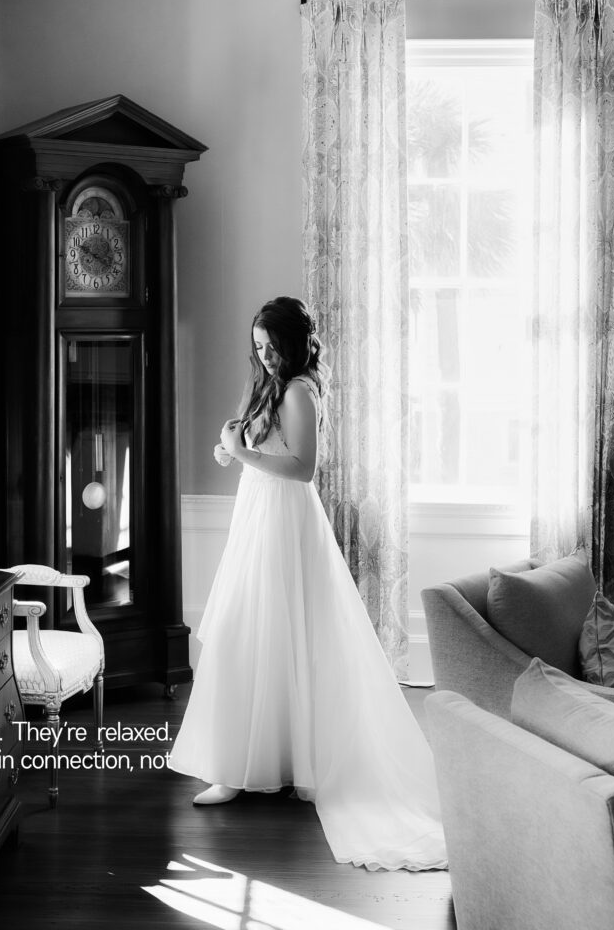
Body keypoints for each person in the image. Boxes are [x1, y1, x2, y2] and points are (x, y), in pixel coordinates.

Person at [168, 296, 447, 871]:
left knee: (280, 630)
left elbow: (302, 468)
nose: (264, 356)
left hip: (285, 521)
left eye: (272, 347)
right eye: (258, 346)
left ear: (294, 344)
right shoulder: (268, 386)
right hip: (256, 516)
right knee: (249, 633)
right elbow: (252, 446)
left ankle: (294, 763)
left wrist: (243, 452)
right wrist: (230, 450)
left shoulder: (299, 390)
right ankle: (239, 765)